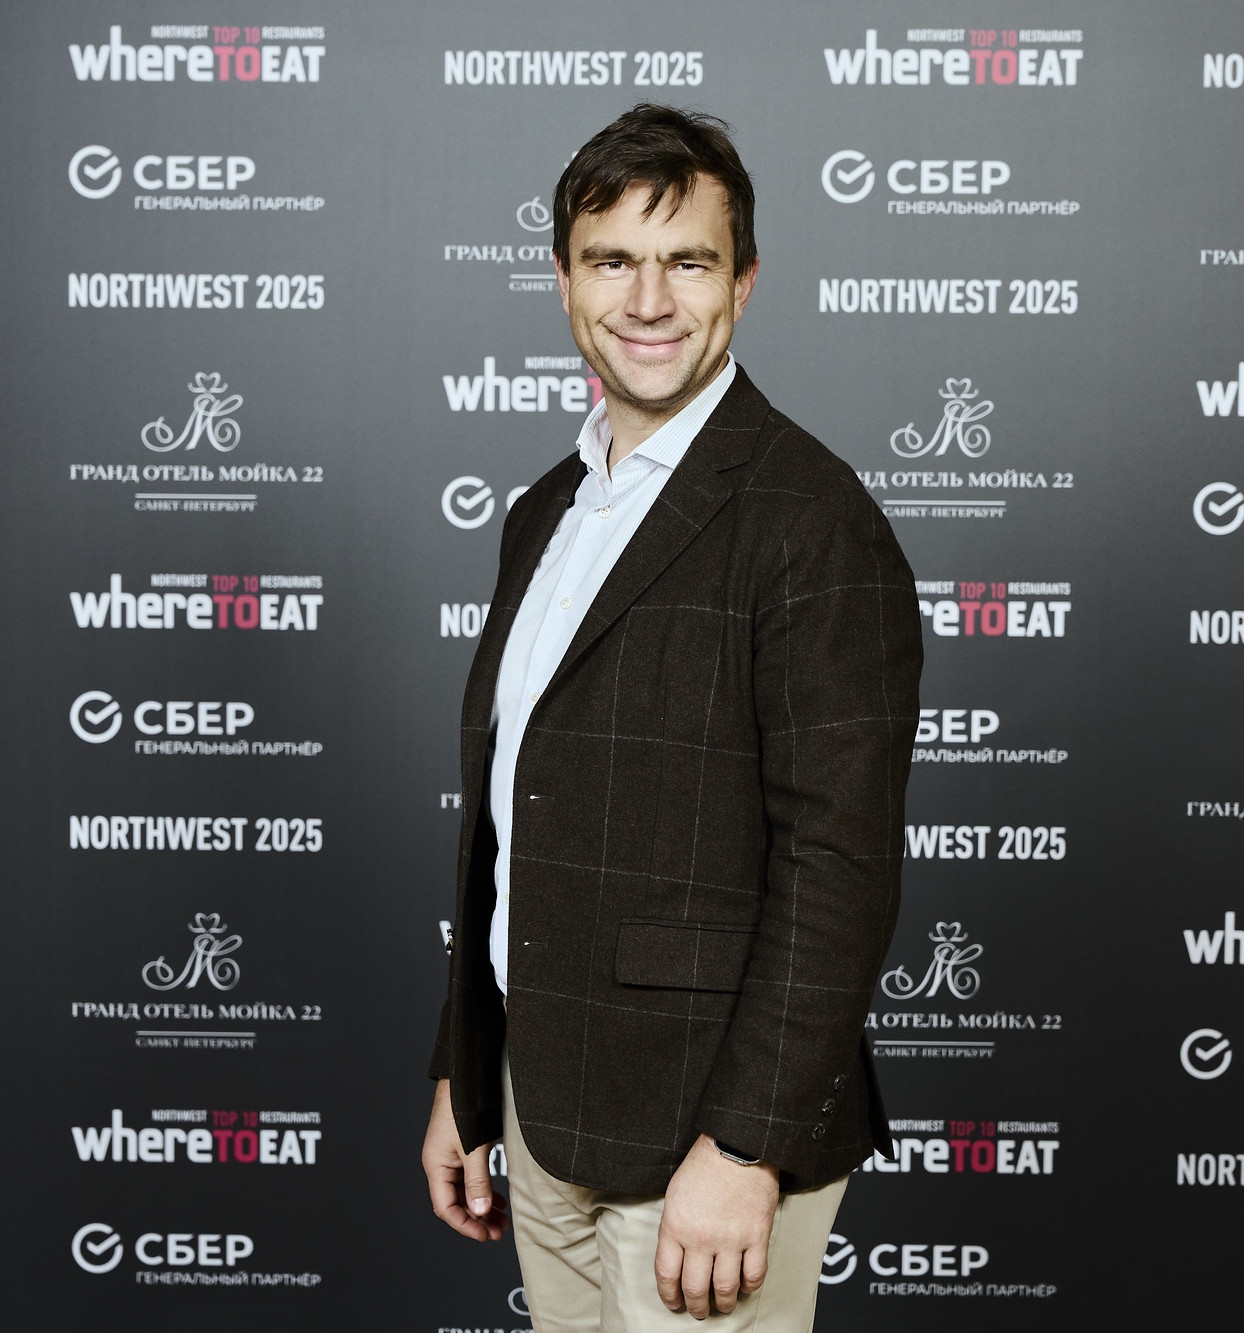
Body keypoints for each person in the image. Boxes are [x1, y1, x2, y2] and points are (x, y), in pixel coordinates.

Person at [421, 103, 922, 1331]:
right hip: (543, 1110)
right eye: (612, 261)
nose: (647, 300)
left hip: (704, 1145)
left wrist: (745, 1146)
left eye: (687, 262)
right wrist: (465, 1074)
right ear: (563, 282)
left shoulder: (811, 520)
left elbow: (839, 864)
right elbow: (514, 826)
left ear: (741, 283)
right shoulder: (545, 511)